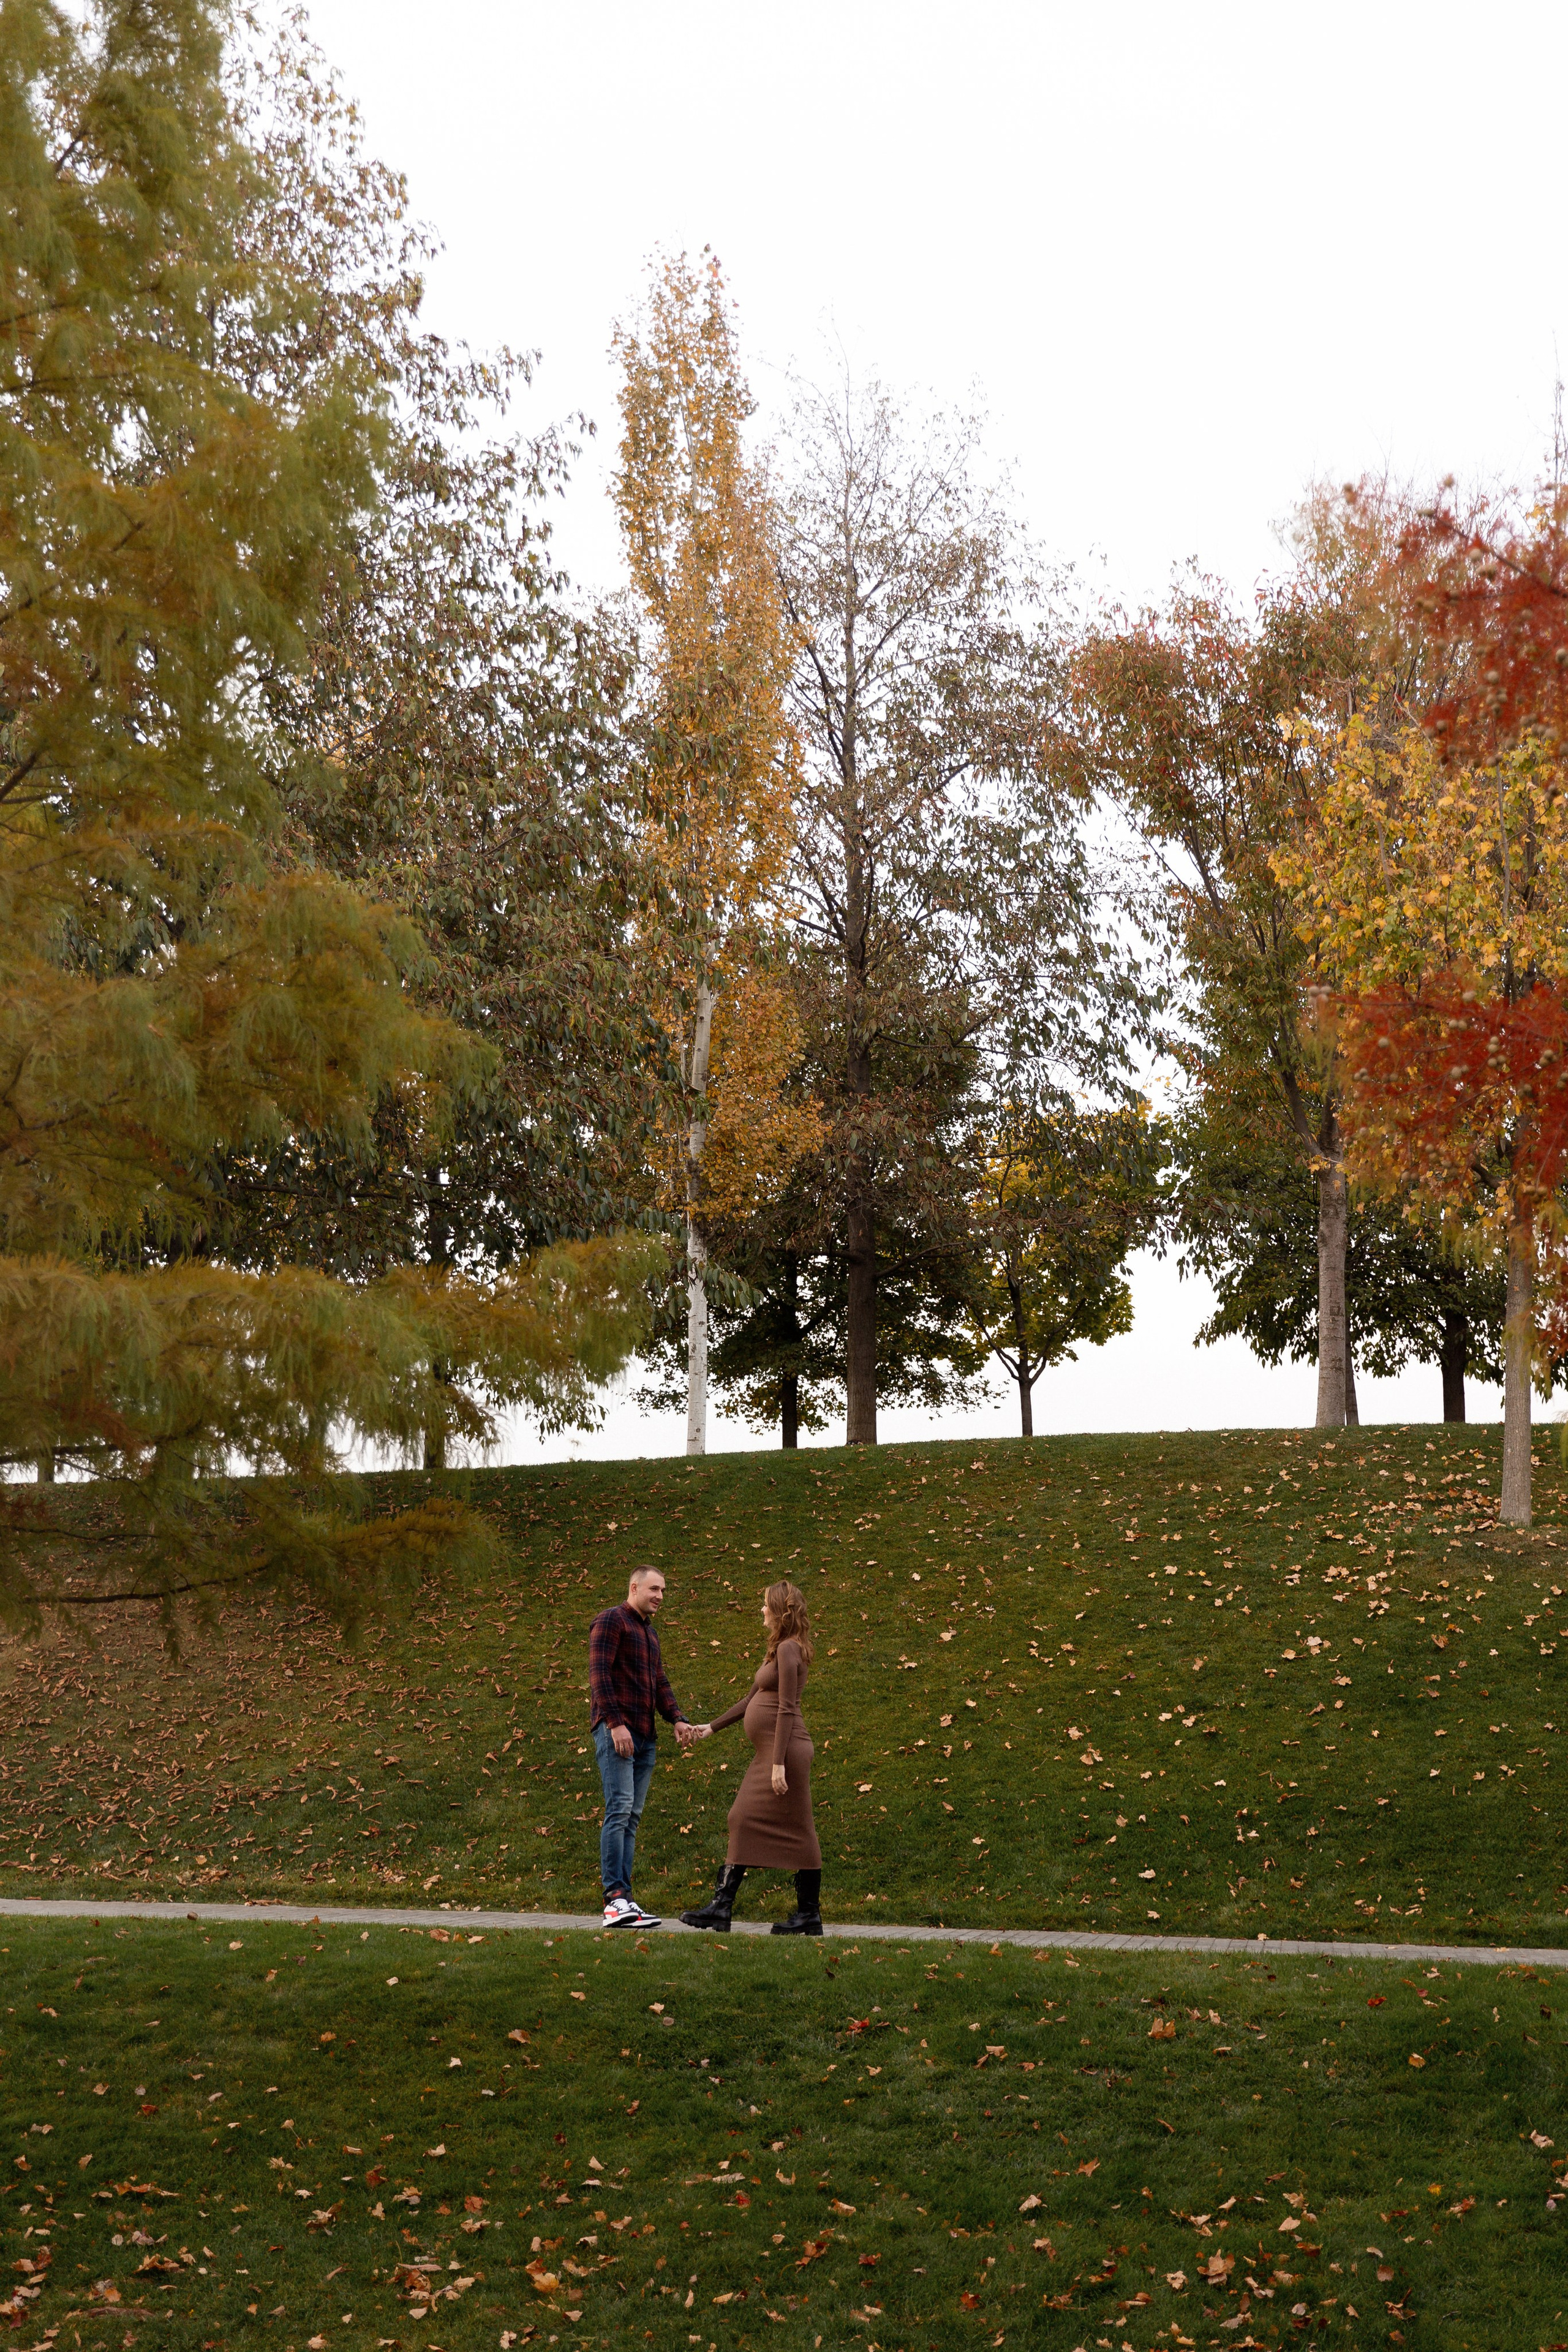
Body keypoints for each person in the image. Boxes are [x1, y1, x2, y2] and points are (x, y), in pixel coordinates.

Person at [680, 1579, 823, 1936]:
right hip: (774, 1750)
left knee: (796, 1829)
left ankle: (806, 1914)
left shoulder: (790, 1650)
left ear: (779, 1611)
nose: (761, 1610)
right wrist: (711, 1727)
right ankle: (722, 1909)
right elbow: (750, 1702)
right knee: (743, 1819)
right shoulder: (779, 1651)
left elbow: (787, 1709)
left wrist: (777, 1764)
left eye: (765, 1604)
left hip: (786, 1750)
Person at [587, 1563, 695, 1929]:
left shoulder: (650, 1634)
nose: (660, 1597)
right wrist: (615, 1725)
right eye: (654, 1590)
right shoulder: (611, 1621)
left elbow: (659, 1682)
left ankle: (627, 1902)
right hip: (619, 1730)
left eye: (663, 1591)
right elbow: (599, 1675)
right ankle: (614, 1901)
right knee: (619, 1809)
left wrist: (677, 1718)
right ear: (634, 1587)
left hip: (645, 1736)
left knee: (631, 1817)